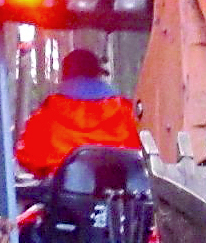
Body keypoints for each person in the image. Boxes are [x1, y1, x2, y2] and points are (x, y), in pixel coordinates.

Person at [15, 47, 139, 177]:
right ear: (97, 74)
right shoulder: (126, 113)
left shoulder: (45, 116)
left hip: (60, 194)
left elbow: (26, 157)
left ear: (65, 75)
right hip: (118, 191)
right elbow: (140, 156)